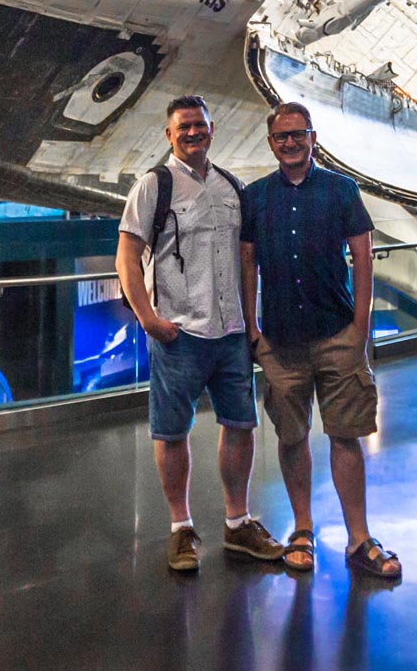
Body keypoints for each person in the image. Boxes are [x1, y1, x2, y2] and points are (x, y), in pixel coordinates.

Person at [116, 96, 285, 573]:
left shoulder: (232, 187)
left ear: (212, 131)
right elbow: (127, 257)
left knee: (241, 426)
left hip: (229, 331)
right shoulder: (155, 185)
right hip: (179, 334)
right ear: (169, 135)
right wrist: (147, 318)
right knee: (172, 432)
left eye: (200, 126)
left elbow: (246, 258)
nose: (192, 133)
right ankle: (180, 528)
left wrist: (251, 324)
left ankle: (238, 524)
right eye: (183, 127)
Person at [240, 101, 401, 582]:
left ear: (313, 137)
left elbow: (363, 254)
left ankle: (358, 538)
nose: (289, 143)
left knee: (344, 434)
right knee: (291, 437)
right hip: (281, 342)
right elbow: (247, 264)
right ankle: (303, 531)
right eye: (281, 137)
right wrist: (253, 331)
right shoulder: (257, 196)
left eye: (297, 134)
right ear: (271, 143)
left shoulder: (341, 189)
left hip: (336, 335)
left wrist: (360, 326)